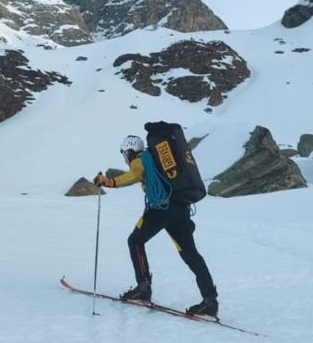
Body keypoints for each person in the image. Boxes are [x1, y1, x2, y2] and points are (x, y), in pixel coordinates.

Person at [94, 133, 219, 317]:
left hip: (161, 209)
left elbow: (133, 175)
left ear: (130, 151)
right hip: (180, 208)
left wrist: (108, 181)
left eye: (124, 153)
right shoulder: (155, 159)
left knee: (135, 241)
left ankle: (143, 288)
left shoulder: (140, 159)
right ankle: (210, 301)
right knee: (191, 254)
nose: (125, 158)